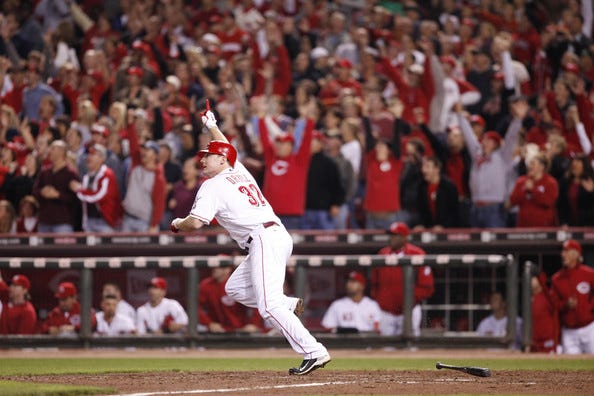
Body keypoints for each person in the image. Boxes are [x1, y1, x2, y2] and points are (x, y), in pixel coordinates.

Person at [170, 108, 330, 375]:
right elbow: (228, 148)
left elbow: (196, 223)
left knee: (268, 308)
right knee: (235, 289)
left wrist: (177, 223)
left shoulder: (212, 184)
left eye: (207, 156)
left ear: (221, 160)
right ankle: (288, 304)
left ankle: (314, 350)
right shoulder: (237, 169)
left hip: (264, 237)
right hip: (273, 235)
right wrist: (212, 125)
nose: (203, 160)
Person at [371, 222, 434, 336]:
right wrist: (381, 300)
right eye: (391, 235)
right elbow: (374, 283)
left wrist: (410, 300)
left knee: (410, 347)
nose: (391, 238)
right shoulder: (382, 253)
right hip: (386, 312)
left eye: (396, 235)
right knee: (385, 349)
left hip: (409, 310)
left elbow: (427, 286)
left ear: (405, 237)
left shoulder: (417, 254)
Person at [550, 240, 594, 354]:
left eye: (566, 251)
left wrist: (590, 307)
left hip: (589, 328)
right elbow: (553, 304)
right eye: (563, 251)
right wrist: (565, 304)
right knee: (571, 369)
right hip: (569, 331)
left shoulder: (589, 274)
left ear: (576, 254)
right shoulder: (556, 279)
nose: (562, 254)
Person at [70, 144, 123, 232]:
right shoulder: (86, 177)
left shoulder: (107, 174)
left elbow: (99, 196)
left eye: (93, 154)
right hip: (89, 221)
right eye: (89, 154)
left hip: (105, 221)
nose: (89, 157)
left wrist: (79, 190)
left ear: (102, 159)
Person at [32, 140, 81, 233]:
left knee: (63, 248)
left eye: (53, 148)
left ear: (62, 152)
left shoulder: (71, 174)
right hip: (44, 220)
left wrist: (58, 195)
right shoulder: (44, 172)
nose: (50, 151)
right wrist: (42, 192)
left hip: (63, 222)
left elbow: (76, 199)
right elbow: (34, 191)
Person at [198, 265, 263, 334]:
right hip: (217, 331)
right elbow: (195, 307)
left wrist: (254, 324)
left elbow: (257, 303)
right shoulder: (206, 285)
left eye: (219, 267)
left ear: (227, 270)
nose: (215, 269)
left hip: (241, 331)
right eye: (214, 267)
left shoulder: (238, 284)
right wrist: (209, 323)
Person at [507, 153, 559, 227]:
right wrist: (524, 190)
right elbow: (513, 201)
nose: (529, 166)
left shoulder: (551, 182)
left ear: (542, 167)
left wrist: (533, 190)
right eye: (529, 164)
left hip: (544, 228)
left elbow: (549, 202)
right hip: (523, 227)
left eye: (533, 164)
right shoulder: (521, 181)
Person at [531, 272, 558, 353]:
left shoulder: (547, 297)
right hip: (534, 342)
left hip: (548, 341)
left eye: (533, 278)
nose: (531, 281)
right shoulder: (528, 298)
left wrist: (541, 278)